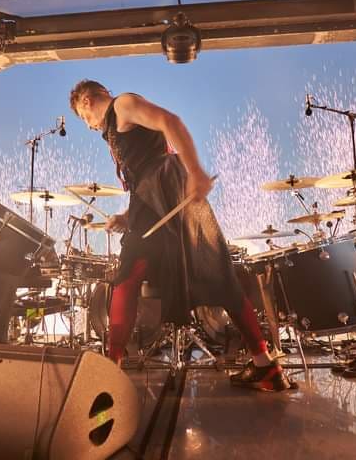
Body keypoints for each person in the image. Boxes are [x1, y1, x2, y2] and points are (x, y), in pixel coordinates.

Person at [69, 80, 290, 392]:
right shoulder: (119, 126)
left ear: (86, 101)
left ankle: (110, 368)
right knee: (218, 276)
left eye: (84, 117)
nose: (89, 125)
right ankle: (265, 366)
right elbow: (147, 174)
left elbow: (170, 121)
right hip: (162, 197)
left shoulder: (123, 104)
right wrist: (127, 216)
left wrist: (196, 171)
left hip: (169, 191)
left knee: (128, 276)